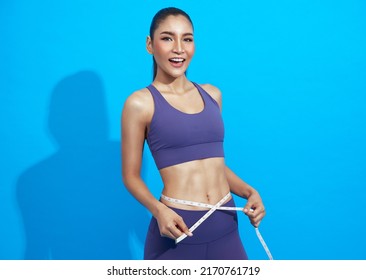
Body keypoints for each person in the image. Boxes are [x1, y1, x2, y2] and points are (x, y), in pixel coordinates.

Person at [121, 7, 266, 260]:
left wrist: (249, 191)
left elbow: (213, 165)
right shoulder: (140, 103)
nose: (179, 48)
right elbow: (130, 176)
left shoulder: (212, 95)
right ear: (150, 44)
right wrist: (158, 211)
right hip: (177, 230)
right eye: (167, 38)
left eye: (187, 39)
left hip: (226, 224)